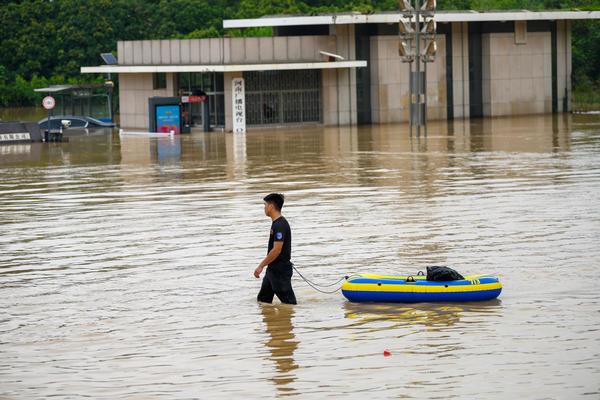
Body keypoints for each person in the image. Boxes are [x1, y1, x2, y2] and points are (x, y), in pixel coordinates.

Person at [254, 193, 297, 305]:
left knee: (289, 304)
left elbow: (276, 250)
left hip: (280, 271)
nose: (264, 208)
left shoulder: (280, 225)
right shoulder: (276, 224)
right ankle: (270, 321)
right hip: (272, 269)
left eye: (265, 205)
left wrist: (261, 265)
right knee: (263, 300)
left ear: (271, 207)